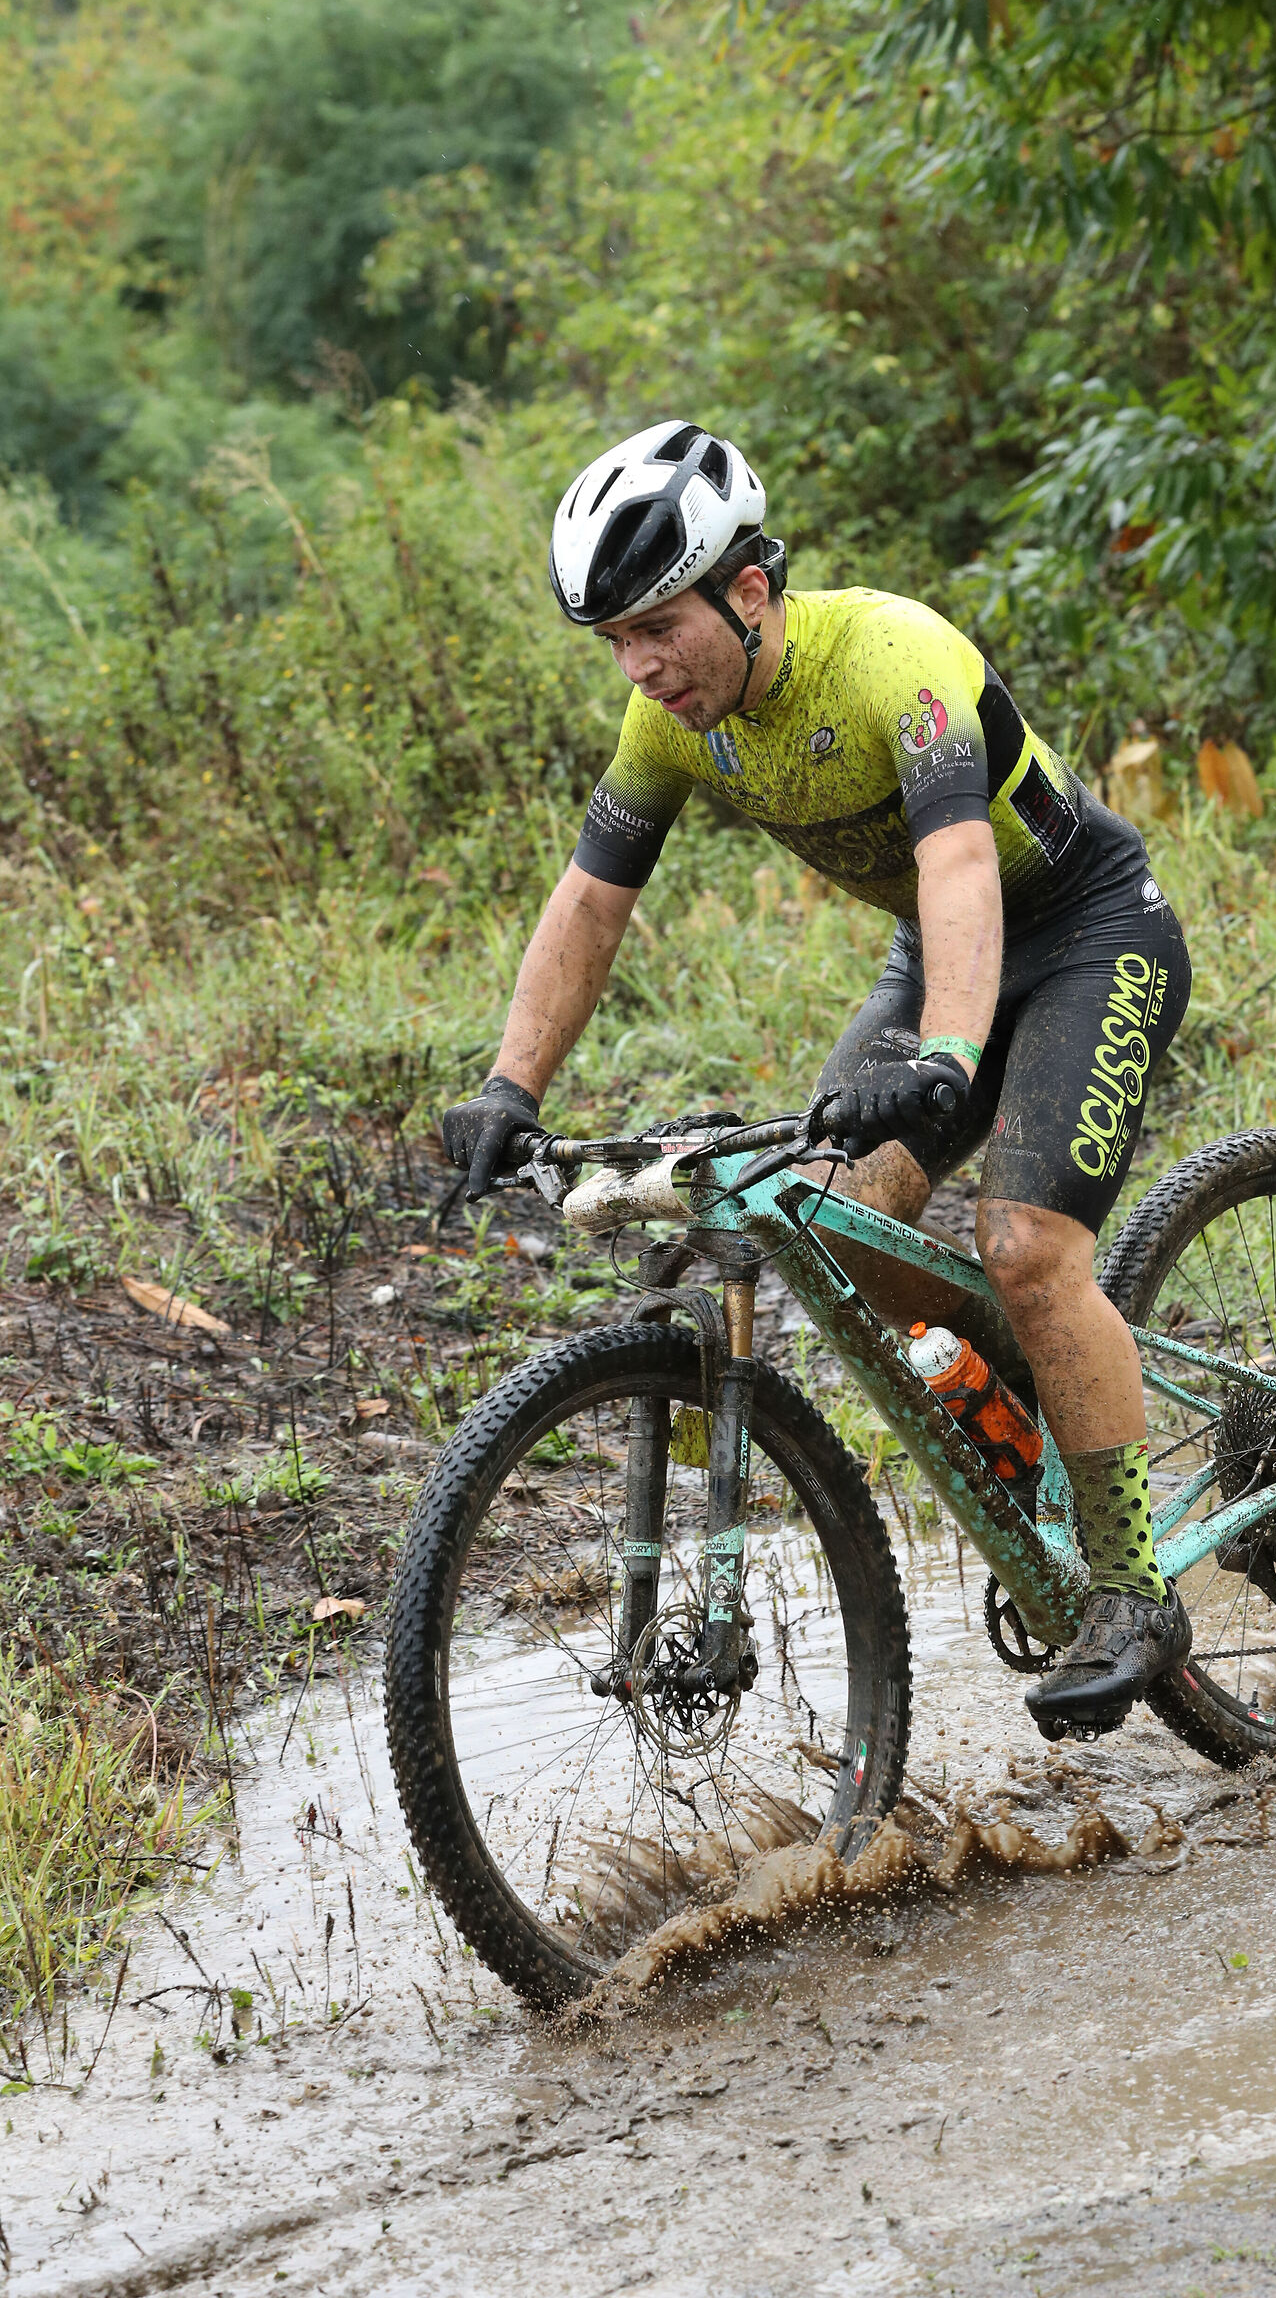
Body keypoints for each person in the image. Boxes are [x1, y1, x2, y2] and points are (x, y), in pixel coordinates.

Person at [441, 420, 1193, 1739]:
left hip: (1084, 935)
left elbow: (959, 862)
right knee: (831, 1223)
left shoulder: (893, 660)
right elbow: (592, 900)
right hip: (935, 958)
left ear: (748, 592)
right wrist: (510, 1085)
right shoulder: (668, 724)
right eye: (613, 641)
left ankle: (1132, 1591)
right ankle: (1040, 1386)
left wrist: (947, 1059)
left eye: (656, 628)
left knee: (1025, 1249)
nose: (639, 666)